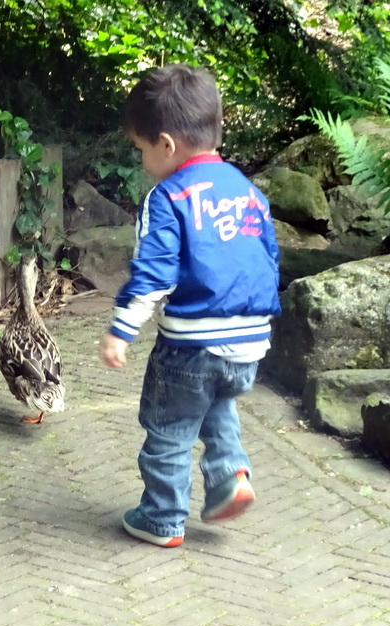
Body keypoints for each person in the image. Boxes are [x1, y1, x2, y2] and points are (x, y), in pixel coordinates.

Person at [98, 64, 281, 548]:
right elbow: (268, 255)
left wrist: (122, 328)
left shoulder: (169, 197)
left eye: (140, 150)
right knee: (215, 400)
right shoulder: (247, 190)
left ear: (165, 145)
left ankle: (161, 517)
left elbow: (154, 272)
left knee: (168, 425)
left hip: (191, 346)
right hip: (249, 343)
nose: (141, 162)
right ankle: (230, 475)